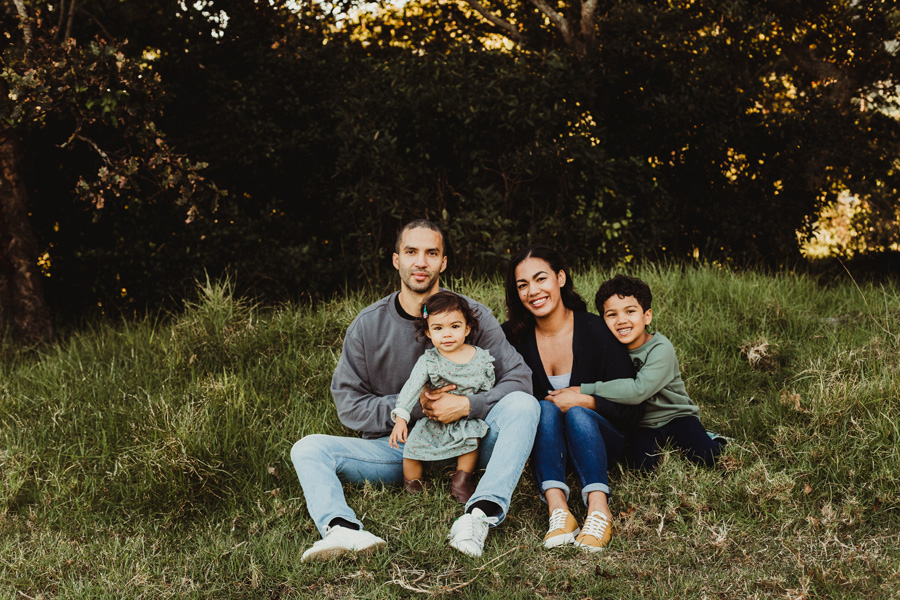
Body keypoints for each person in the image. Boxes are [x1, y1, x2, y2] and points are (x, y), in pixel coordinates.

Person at [291, 219, 539, 562]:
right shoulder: (367, 325)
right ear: (397, 260)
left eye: (431, 253)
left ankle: (478, 514)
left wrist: (467, 404)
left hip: (470, 438)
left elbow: (519, 379)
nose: (421, 262)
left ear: (443, 262)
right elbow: (349, 405)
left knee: (525, 405)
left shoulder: (471, 316)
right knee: (308, 449)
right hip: (400, 447)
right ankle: (342, 528)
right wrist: (417, 407)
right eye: (411, 252)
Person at [502, 246, 641, 553]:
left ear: (560, 278)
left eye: (541, 279)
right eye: (522, 285)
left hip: (602, 438)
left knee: (576, 413)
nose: (533, 291)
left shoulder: (596, 330)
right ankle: (558, 510)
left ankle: (598, 509)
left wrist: (586, 400)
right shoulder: (513, 338)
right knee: (544, 408)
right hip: (550, 441)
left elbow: (633, 404)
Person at [580, 274, 725, 471]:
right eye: (611, 314)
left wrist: (585, 390)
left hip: (677, 417)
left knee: (707, 458)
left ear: (647, 316)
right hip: (642, 426)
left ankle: (712, 438)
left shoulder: (660, 347)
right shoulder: (609, 352)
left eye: (630, 311)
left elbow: (638, 390)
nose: (621, 320)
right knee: (641, 468)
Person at [389, 290, 493, 503]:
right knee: (411, 450)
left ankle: (462, 481)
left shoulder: (481, 358)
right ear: (428, 332)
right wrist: (401, 418)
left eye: (454, 327)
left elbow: (489, 389)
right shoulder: (429, 361)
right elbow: (411, 388)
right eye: (438, 328)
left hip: (465, 417)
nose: (447, 334)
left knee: (470, 445)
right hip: (435, 420)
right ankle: (413, 485)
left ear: (467, 328)